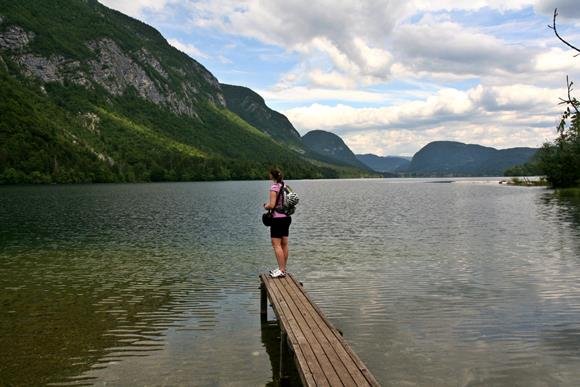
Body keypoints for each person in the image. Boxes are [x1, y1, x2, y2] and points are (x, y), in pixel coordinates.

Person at [263, 168, 291, 278]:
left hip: (277, 219)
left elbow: (272, 205)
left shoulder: (274, 187)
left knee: (276, 245)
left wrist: (266, 206)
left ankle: (281, 270)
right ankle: (283, 269)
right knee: (284, 244)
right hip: (286, 218)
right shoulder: (285, 186)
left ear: (272, 176)